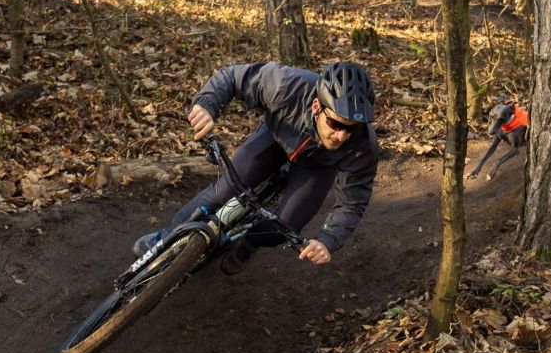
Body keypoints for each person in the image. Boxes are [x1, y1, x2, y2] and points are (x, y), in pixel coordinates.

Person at [133, 60, 379, 274]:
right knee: (223, 192)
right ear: (317, 106)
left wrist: (327, 240)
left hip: (318, 167)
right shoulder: (287, 86)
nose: (342, 136)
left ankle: (250, 242)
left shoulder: (363, 146)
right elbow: (233, 77)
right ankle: (168, 236)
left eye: (351, 128)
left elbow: (352, 203)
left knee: (284, 227)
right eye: (335, 124)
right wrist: (206, 105)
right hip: (276, 138)